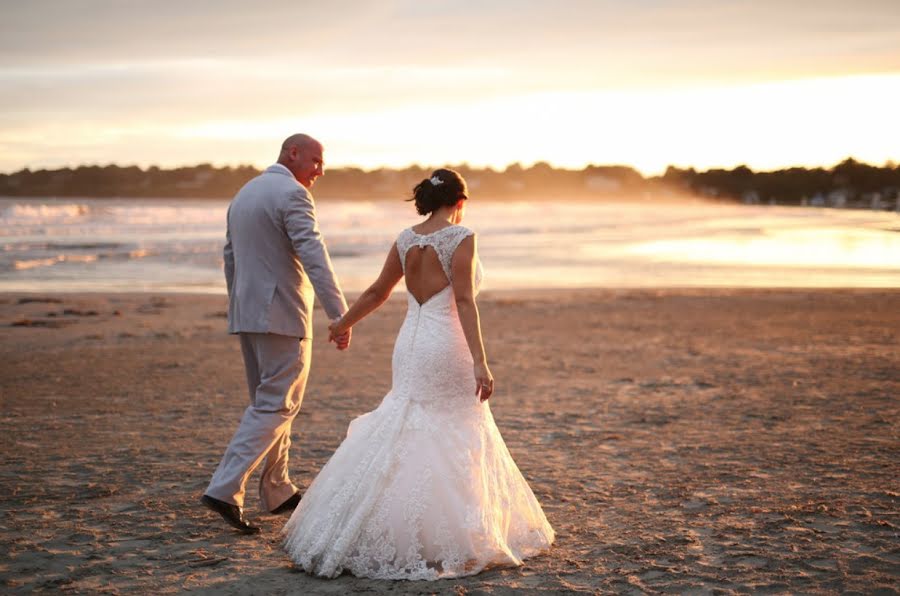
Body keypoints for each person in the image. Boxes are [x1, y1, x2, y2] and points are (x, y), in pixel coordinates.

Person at [283, 168, 554, 579]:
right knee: (456, 426)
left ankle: (374, 527)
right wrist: (481, 360)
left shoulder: (406, 238)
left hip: (410, 343)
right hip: (445, 344)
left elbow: (377, 291)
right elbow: (463, 300)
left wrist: (343, 323)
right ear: (459, 202)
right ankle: (449, 535)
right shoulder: (462, 238)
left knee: (404, 420)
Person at [201, 134, 350, 534]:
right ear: (292, 153)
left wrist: (239, 304)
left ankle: (278, 489)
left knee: (268, 403)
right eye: (316, 160)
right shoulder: (292, 194)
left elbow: (230, 256)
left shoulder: (245, 193)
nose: (321, 169)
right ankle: (224, 488)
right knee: (277, 406)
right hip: (281, 313)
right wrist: (340, 314)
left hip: (248, 312)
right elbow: (313, 253)